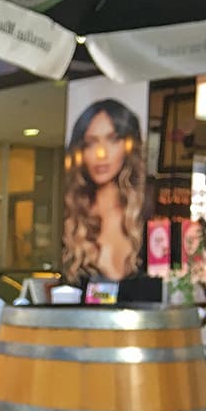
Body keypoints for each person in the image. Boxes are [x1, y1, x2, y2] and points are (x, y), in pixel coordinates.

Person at [62, 99, 146, 283]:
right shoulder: (75, 218)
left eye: (113, 139)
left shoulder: (142, 216)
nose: (101, 153)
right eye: (91, 143)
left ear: (128, 146)